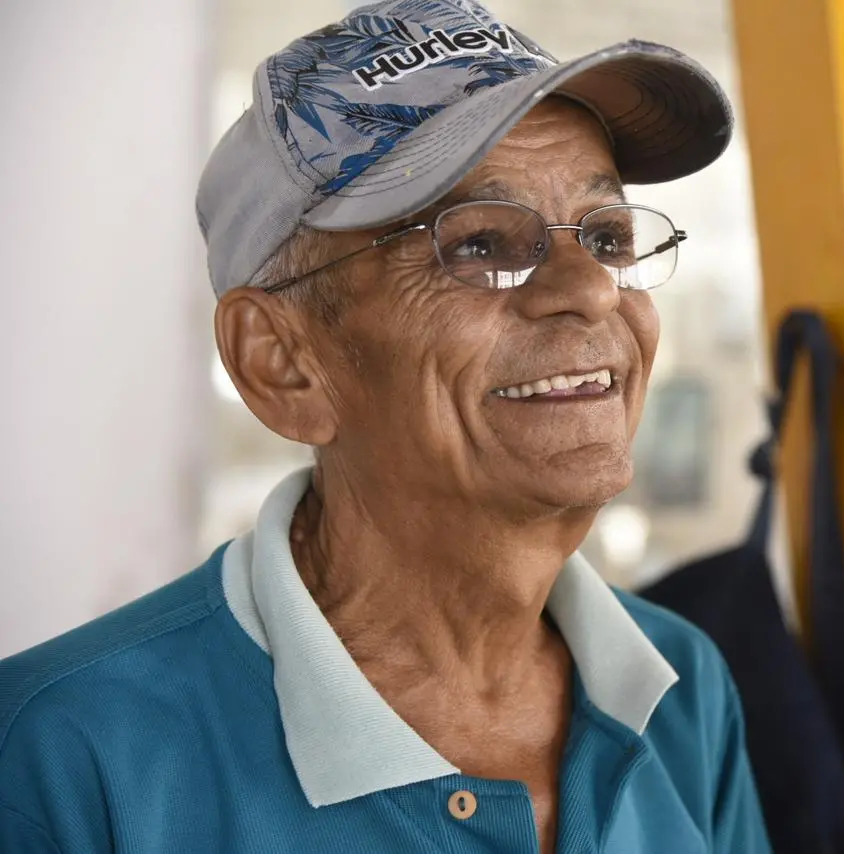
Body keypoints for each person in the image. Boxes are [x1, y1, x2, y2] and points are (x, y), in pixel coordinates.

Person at [0, 2, 770, 852]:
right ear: (282, 361)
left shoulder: (677, 686)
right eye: (479, 245)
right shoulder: (61, 754)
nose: (592, 290)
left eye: (608, 234)